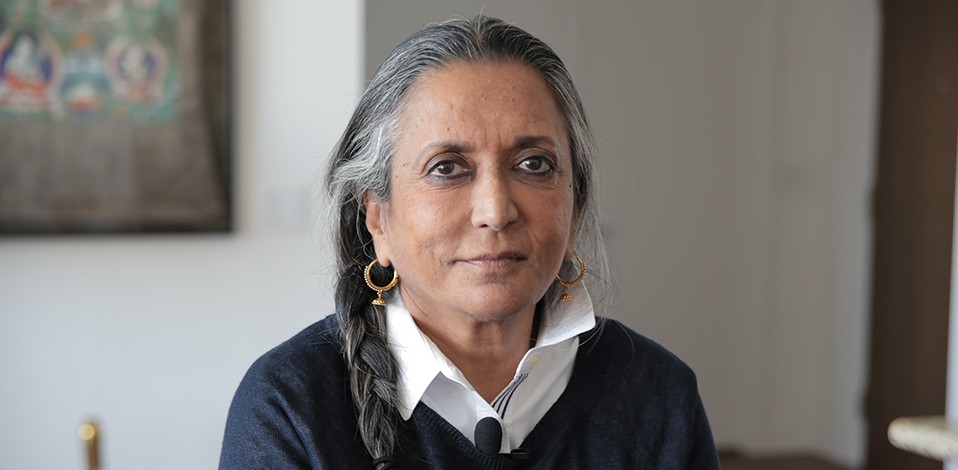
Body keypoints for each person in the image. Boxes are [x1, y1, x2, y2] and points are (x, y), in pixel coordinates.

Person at [220, 15, 719, 469]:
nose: (495, 211)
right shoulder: (291, 406)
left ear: (574, 211)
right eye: (447, 168)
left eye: (534, 164)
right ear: (377, 218)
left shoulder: (660, 395)